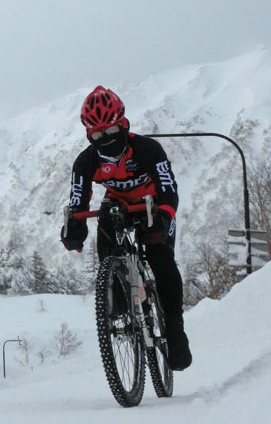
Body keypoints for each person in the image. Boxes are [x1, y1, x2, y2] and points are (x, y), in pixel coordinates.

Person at [60, 85, 192, 371]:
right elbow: (77, 202)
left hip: (152, 202)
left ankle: (175, 330)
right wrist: (74, 228)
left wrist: (165, 216)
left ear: (122, 124)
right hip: (117, 203)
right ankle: (119, 299)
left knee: (161, 258)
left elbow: (169, 191)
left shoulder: (148, 149)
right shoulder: (86, 162)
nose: (104, 140)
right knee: (106, 248)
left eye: (109, 132)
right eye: (96, 135)